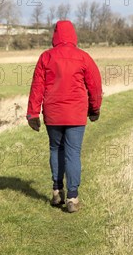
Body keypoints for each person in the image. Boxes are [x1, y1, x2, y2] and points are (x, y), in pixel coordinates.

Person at [26, 20, 103, 213]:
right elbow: (95, 86)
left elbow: (37, 87)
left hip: (53, 113)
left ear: (55, 35)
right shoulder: (83, 57)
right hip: (76, 114)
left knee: (55, 150)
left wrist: (32, 113)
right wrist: (95, 109)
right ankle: (73, 197)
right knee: (73, 153)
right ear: (73, 35)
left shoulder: (46, 57)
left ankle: (56, 191)